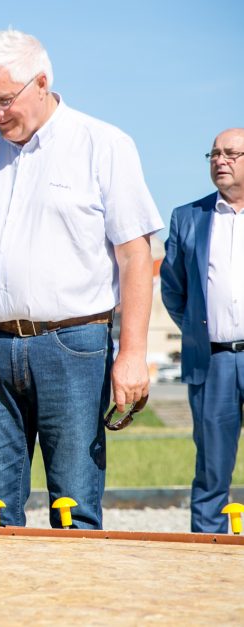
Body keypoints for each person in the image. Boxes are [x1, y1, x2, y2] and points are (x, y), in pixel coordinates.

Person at [0, 29, 163, 529]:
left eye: (4, 101)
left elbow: (135, 257)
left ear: (42, 82)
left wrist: (131, 353)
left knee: (75, 504)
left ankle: (77, 606)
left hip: (74, 345)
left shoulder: (103, 145)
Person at [160, 128, 244, 534]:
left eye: (230, 154)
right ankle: (207, 553)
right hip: (212, 362)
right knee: (211, 470)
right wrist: (196, 332)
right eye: (213, 154)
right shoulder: (188, 217)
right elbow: (174, 290)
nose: (219, 161)